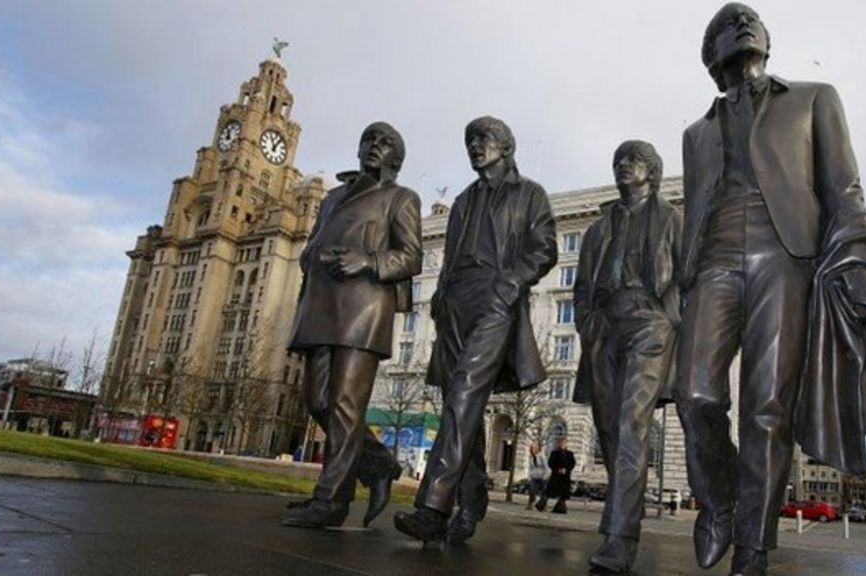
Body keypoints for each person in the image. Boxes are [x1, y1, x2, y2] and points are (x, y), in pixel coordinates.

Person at [677, 5, 866, 576]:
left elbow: (843, 188)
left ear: (767, 41)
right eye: (728, 24)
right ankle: (721, 503)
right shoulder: (695, 133)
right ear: (711, 55)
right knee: (697, 394)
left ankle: (753, 546)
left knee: (766, 408)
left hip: (787, 256)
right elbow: (695, 209)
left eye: (751, 20)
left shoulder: (815, 97)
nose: (743, 25)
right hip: (715, 260)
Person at [395, 116, 558, 545]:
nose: (474, 146)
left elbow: (545, 248)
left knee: (466, 390)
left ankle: (432, 506)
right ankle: (473, 494)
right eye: (469, 140)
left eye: (483, 138)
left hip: (495, 297)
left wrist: (510, 283)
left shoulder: (530, 194)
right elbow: (449, 256)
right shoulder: (464, 200)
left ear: (506, 145)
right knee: (458, 398)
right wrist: (442, 296)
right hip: (455, 303)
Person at [282, 122, 422, 530]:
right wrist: (313, 260)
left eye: (386, 143)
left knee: (344, 405)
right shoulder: (332, 198)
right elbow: (310, 246)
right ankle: (376, 463)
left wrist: (369, 261)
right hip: (321, 305)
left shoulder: (400, 198)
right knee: (317, 402)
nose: (375, 147)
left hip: (363, 308)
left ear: (397, 158)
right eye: (369, 140)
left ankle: (332, 500)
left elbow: (410, 256)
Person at [571, 140, 681, 573]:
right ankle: (623, 515)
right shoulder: (599, 228)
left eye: (632, 160)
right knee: (608, 428)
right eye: (617, 161)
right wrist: (587, 321)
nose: (622, 166)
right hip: (603, 325)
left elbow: (686, 277)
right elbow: (581, 286)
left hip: (648, 322)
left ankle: (619, 537)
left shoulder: (672, 219)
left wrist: (664, 317)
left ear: (652, 172)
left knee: (631, 422)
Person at [536, 437, 575, 514]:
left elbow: (572, 463)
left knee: (564, 492)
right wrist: (557, 469)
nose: (562, 444)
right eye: (561, 443)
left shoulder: (570, 454)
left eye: (564, 443)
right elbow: (550, 463)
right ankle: (541, 504)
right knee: (550, 491)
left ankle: (560, 508)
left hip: (565, 476)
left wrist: (566, 469)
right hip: (556, 476)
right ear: (559, 444)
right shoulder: (554, 453)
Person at [526, 442, 547, 511]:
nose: (532, 450)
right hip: (534, 476)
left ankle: (543, 506)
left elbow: (546, 466)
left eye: (533, 448)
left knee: (543, 492)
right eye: (531, 449)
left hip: (542, 476)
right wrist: (529, 476)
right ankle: (530, 505)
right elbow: (530, 467)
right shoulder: (531, 457)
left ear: (536, 449)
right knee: (532, 490)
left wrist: (545, 475)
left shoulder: (541, 456)